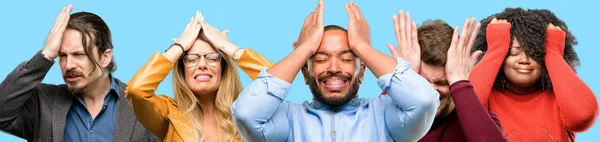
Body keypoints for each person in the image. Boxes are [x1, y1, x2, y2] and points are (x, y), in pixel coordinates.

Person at [231, 1, 439, 141]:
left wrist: (363, 48)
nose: (333, 68)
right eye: (320, 58)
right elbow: (246, 115)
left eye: (348, 58)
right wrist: (303, 50)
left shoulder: (386, 116)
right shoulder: (288, 120)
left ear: (363, 72)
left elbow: (424, 102)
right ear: (305, 73)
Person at [0, 5, 158, 141]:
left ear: (105, 58)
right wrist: (46, 54)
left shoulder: (143, 106)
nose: (68, 65)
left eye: (79, 55)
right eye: (62, 56)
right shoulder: (42, 102)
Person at [125, 12, 273, 142]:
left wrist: (225, 45)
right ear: (183, 71)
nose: (202, 64)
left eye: (212, 57)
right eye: (192, 59)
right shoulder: (169, 114)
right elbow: (136, 90)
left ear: (223, 67)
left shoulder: (246, 112)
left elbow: (277, 82)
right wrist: (180, 46)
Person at [469, 8, 598, 141]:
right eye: (514, 52)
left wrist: (553, 52)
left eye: (534, 53)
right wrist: (495, 50)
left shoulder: (561, 100)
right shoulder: (486, 99)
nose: (524, 60)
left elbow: (583, 116)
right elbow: (464, 113)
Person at [384, 10, 506, 142]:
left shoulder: (481, 124)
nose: (430, 90)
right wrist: (401, 78)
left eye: (442, 83)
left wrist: (460, 82)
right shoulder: (382, 114)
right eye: (421, 80)